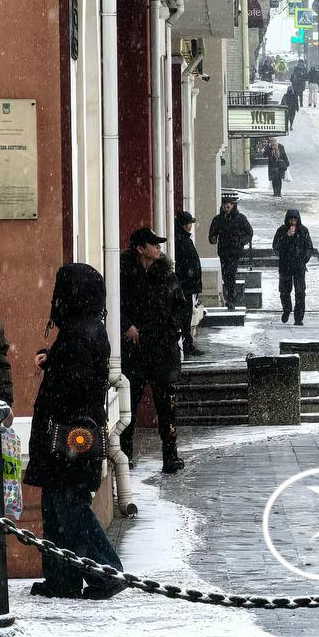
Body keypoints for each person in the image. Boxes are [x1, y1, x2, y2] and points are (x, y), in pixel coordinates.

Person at [24, 263, 126, 600]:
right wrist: (52, 360)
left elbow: (76, 385)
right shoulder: (88, 327)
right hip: (75, 438)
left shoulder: (78, 333)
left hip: (70, 439)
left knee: (68, 510)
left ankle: (105, 571)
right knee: (58, 507)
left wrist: (55, 366)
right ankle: (62, 579)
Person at [119, 228, 186, 474]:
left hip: (162, 351)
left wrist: (173, 330)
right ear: (140, 248)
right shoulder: (124, 275)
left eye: (159, 245)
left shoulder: (166, 274)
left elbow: (180, 306)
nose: (159, 248)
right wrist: (126, 326)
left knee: (167, 407)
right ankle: (124, 456)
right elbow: (114, 306)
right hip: (134, 352)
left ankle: (171, 456)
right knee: (128, 407)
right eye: (153, 244)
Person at [208, 193, 253, 310]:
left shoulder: (240, 218)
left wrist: (241, 241)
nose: (227, 207)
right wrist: (213, 239)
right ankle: (231, 296)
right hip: (223, 250)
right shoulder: (218, 219)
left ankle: (231, 298)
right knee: (225, 274)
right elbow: (212, 233)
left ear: (233, 206)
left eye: (229, 205)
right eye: (225, 205)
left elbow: (249, 232)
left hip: (235, 251)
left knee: (230, 273)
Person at [272, 209, 314, 325]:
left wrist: (304, 258)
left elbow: (309, 247)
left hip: (299, 266)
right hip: (285, 265)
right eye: (291, 219)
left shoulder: (303, 230)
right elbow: (275, 246)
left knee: (300, 292)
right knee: (284, 291)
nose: (293, 222)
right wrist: (287, 237)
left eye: (295, 219)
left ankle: (299, 317)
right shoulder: (281, 230)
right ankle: (287, 309)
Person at [173, 210, 203, 356]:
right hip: (185, 285)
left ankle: (187, 342)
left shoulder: (183, 239)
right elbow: (186, 264)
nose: (190, 226)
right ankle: (187, 343)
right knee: (185, 316)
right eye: (189, 223)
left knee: (186, 315)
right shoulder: (181, 241)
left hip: (187, 285)